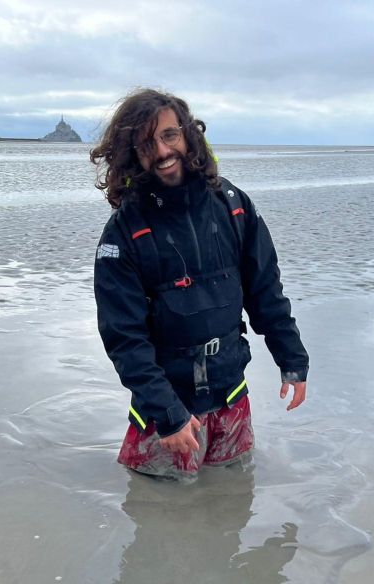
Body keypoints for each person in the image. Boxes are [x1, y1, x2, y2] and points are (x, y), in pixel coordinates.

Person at [90, 88, 308, 479]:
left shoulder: (233, 206)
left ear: (189, 134)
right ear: (130, 154)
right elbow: (124, 338)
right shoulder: (122, 234)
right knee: (157, 511)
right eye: (145, 144)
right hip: (166, 410)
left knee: (234, 497)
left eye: (169, 135)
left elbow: (265, 293)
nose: (161, 152)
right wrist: (168, 415)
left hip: (231, 394)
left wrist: (292, 359)